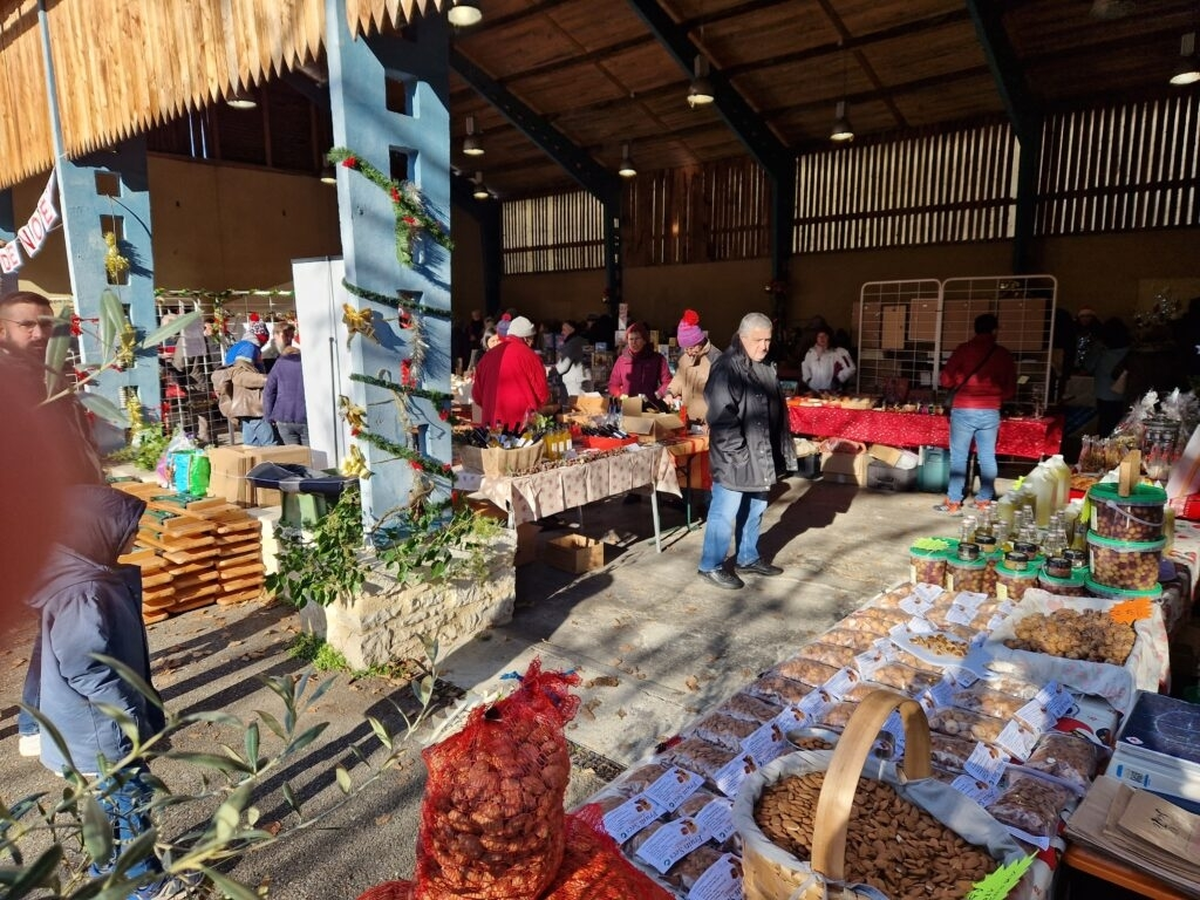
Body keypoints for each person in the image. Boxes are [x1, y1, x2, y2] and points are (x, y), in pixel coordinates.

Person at [28, 484, 177, 899]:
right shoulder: (83, 590)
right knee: (131, 800)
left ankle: (107, 866)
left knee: (108, 800)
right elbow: (87, 666)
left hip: (90, 725)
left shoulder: (87, 576)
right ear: (98, 530)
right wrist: (129, 717)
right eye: (128, 529)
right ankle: (146, 885)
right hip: (101, 727)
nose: (136, 536)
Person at [1, 290, 104, 758]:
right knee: (53, 618)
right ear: (3, 330)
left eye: (46, 324)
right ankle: (33, 719)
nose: (39, 332)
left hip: (72, 513)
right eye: (27, 324)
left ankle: (36, 718)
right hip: (37, 522)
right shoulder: (11, 387)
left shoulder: (53, 377)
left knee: (55, 617)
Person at [697, 312, 796, 590]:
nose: (764, 346)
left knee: (755, 509)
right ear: (742, 338)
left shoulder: (764, 367)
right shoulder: (726, 368)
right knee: (724, 513)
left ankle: (748, 558)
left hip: (760, 454)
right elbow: (722, 417)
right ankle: (710, 565)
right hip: (735, 457)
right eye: (758, 340)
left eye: (768, 340)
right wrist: (738, 454)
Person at [936, 313, 1016, 514]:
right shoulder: (1003, 354)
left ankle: (954, 501)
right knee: (987, 457)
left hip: (963, 409)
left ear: (975, 329)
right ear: (994, 330)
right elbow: (1010, 390)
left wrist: (959, 380)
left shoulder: (963, 350)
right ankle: (984, 500)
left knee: (959, 458)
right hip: (991, 411)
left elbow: (945, 380)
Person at [471, 315, 551, 430]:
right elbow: (542, 395)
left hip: (492, 425)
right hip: (522, 426)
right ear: (526, 338)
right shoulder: (531, 356)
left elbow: (477, 395)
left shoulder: (487, 357)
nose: (532, 343)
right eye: (532, 339)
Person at [214, 342, 277, 446]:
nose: (260, 359)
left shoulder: (235, 369)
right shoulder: (240, 370)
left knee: (250, 445)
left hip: (244, 412)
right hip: (255, 411)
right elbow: (247, 379)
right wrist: (271, 379)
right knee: (270, 444)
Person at [664, 309, 721, 423]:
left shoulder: (716, 359)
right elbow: (679, 378)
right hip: (686, 418)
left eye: (691, 348)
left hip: (707, 422)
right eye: (685, 348)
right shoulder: (684, 356)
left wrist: (711, 421)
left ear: (700, 341)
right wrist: (670, 393)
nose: (688, 352)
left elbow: (721, 397)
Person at [1080, 316, 1131, 437]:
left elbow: (1088, 366)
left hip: (1104, 394)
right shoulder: (1130, 351)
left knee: (1104, 425)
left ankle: (1103, 446)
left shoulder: (1101, 350)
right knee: (1121, 427)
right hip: (1124, 395)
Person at [262, 322, 308, 445]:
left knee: (293, 454)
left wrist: (268, 416)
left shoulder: (279, 364)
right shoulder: (306, 362)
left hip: (284, 416)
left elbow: (269, 392)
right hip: (305, 415)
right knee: (311, 453)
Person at [608, 321, 670, 400]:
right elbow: (613, 384)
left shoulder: (657, 359)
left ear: (644, 340)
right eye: (631, 339)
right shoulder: (622, 360)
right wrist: (619, 395)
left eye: (637, 339)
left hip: (650, 403)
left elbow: (668, 382)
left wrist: (658, 394)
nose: (634, 342)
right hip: (627, 404)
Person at [801, 326, 856, 393]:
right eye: (819, 336)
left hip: (832, 392)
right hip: (814, 392)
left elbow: (851, 368)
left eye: (825, 336)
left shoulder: (839, 352)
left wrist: (837, 380)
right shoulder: (811, 352)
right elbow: (805, 366)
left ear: (829, 337)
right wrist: (808, 380)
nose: (822, 338)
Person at [555, 319, 589, 398]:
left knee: (572, 404)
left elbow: (562, 367)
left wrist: (547, 372)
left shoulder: (572, 344)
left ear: (572, 330)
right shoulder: (583, 341)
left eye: (564, 330)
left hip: (573, 384)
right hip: (582, 380)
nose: (562, 332)